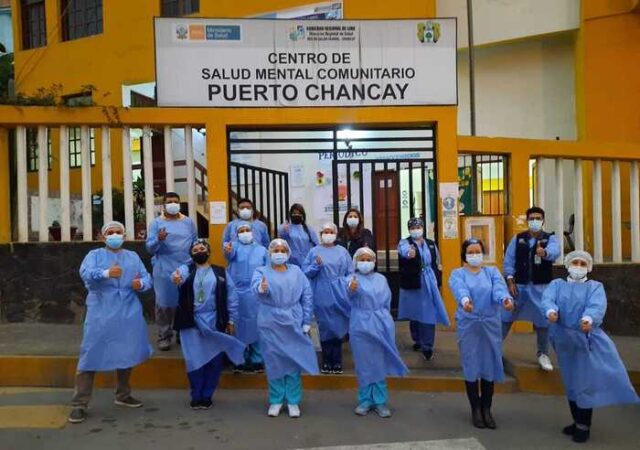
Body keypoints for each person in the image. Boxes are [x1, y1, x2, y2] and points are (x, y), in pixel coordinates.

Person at [540, 251, 639, 443]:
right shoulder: (557, 285)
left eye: (582, 263)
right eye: (574, 262)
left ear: (588, 267)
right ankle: (577, 420)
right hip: (563, 340)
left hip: (586, 340)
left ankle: (584, 426)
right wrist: (550, 311)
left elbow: (596, 306)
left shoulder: (595, 287)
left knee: (583, 383)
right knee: (570, 384)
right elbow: (547, 300)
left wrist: (588, 319)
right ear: (567, 265)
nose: (578, 266)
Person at [68, 221, 153, 424]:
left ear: (124, 235)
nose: (115, 235)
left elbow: (147, 278)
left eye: (119, 232)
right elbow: (86, 273)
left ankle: (123, 394)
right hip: (101, 311)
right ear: (102, 236)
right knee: (90, 353)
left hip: (128, 311)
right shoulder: (94, 255)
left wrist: (139, 283)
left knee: (127, 351)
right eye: (110, 232)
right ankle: (80, 403)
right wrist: (106, 273)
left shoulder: (132, 257)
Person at [172, 239, 246, 410]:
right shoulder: (186, 270)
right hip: (191, 321)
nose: (199, 251)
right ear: (191, 254)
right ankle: (196, 395)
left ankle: (207, 395)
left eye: (202, 248)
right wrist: (176, 278)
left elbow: (232, 298)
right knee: (194, 359)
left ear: (208, 251)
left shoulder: (221, 272)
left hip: (214, 320)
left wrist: (231, 320)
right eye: (195, 249)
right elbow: (176, 276)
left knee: (214, 360)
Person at [448, 239, 514, 429]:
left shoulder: (491, 272)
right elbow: (459, 289)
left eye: (478, 251)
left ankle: (487, 409)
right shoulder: (458, 274)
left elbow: (499, 289)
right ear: (465, 254)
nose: (475, 255)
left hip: (490, 324)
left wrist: (505, 300)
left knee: (488, 365)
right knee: (471, 365)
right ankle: (475, 409)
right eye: (471, 251)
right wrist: (465, 301)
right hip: (468, 324)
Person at [251, 239, 319, 418]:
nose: (279, 253)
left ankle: (293, 401)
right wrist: (262, 288)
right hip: (269, 320)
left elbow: (307, 295)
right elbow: (256, 289)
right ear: (270, 253)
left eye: (282, 250)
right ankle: (276, 400)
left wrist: (306, 320)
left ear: (288, 253)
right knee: (274, 361)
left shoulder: (296, 272)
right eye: (276, 250)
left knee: (292, 360)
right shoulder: (261, 271)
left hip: (292, 319)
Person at [338, 247, 409, 418]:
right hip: (360, 324)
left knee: (378, 362)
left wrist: (386, 322)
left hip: (381, 322)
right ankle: (365, 399)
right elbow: (346, 295)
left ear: (374, 262)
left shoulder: (381, 279)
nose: (365, 262)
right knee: (363, 362)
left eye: (368, 259)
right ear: (356, 262)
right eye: (361, 259)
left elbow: (387, 301)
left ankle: (379, 400)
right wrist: (352, 288)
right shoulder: (352, 279)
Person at [503, 206, 560, 371]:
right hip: (519, 287)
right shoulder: (518, 238)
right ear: (527, 220)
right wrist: (510, 281)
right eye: (532, 218)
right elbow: (509, 261)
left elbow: (555, 252)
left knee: (543, 321)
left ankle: (543, 354)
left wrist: (545, 253)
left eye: (538, 218)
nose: (535, 221)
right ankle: (492, 350)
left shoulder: (550, 239)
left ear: (543, 220)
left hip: (541, 287)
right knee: (506, 316)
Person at [146, 192, 198, 351]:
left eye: (176, 201)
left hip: (185, 265)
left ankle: (182, 333)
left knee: (185, 302)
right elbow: (149, 248)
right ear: (163, 205)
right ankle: (164, 335)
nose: (173, 204)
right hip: (164, 267)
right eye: (169, 202)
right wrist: (159, 239)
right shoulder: (156, 223)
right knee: (164, 304)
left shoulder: (188, 222)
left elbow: (195, 241)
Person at [302, 222, 353, 374]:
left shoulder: (342, 251)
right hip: (321, 292)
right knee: (324, 326)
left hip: (339, 291)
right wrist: (315, 266)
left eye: (331, 231)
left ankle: (337, 361)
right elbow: (305, 272)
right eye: (325, 231)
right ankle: (326, 361)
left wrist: (348, 283)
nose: (328, 234)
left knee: (337, 326)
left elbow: (350, 272)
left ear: (336, 234)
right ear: (320, 233)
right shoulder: (314, 251)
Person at [397, 217, 450, 361]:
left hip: (429, 281)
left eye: (418, 227)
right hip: (413, 280)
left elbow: (438, 262)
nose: (416, 230)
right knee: (415, 311)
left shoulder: (431, 244)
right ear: (409, 230)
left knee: (428, 313)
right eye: (413, 228)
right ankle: (417, 340)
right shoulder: (405, 243)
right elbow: (404, 251)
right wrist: (410, 254)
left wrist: (438, 279)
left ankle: (427, 346)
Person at [224, 221, 269, 372]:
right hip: (237, 292)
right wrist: (228, 250)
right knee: (238, 326)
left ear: (252, 232)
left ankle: (257, 359)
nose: (244, 232)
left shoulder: (262, 250)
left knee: (256, 326)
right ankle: (239, 359)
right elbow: (229, 256)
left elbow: (268, 270)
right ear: (236, 234)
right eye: (241, 230)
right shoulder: (234, 247)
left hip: (256, 293)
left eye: (247, 230)